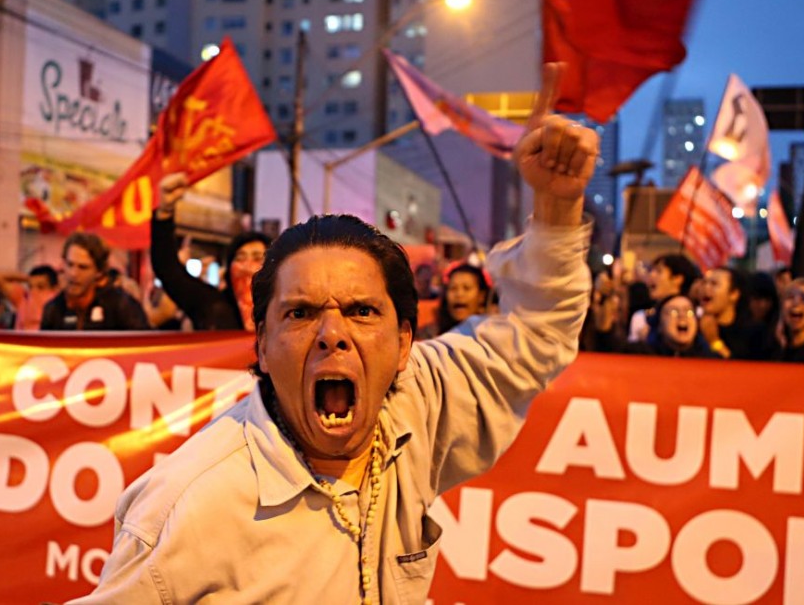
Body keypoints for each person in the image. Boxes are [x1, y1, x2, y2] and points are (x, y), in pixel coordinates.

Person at [70, 64, 598, 604]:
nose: (332, 334)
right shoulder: (185, 507)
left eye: (362, 311)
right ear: (262, 347)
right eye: (300, 314)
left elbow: (535, 336)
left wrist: (556, 211)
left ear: (403, 345)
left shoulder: (418, 404)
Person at [151, 171, 272, 331]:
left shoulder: (282, 312)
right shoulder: (211, 305)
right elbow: (169, 271)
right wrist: (165, 213)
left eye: (257, 258)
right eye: (240, 258)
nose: (247, 266)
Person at [41, 232, 149, 331]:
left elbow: (145, 347)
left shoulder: (121, 306)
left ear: (99, 272)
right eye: (70, 265)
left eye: (83, 267)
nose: (73, 274)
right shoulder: (52, 310)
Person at [627, 253, 701, 342]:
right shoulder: (641, 317)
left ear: (677, 279)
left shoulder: (698, 315)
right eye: (651, 270)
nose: (651, 275)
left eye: (659, 271)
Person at [628, 294, 715, 358]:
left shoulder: (711, 360)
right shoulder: (638, 355)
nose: (682, 316)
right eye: (673, 312)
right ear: (659, 325)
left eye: (689, 312)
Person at [0, 265, 59, 331]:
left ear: (54, 289)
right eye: (30, 286)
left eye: (40, 287)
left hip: (43, 340)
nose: (33, 291)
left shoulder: (56, 300)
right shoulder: (22, 297)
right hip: (20, 341)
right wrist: (27, 278)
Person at [433, 262, 491, 335]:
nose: (459, 294)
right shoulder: (431, 335)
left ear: (481, 296)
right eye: (453, 288)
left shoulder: (491, 333)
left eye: (467, 288)